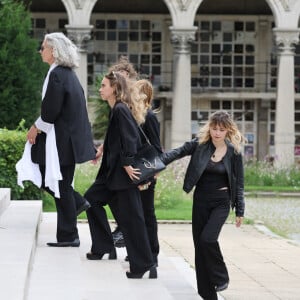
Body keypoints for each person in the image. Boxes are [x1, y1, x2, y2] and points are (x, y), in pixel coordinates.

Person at [161, 110, 245, 299]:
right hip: (201, 201)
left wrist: (240, 209)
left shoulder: (234, 152)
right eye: (214, 128)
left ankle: (221, 277)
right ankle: (208, 294)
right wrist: (157, 165)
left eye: (221, 130)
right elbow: (178, 152)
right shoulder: (200, 145)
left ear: (227, 131)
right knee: (200, 246)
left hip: (221, 203)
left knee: (208, 239)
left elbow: (239, 182)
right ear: (210, 128)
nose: (217, 133)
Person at [84, 71, 157, 279]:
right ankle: (105, 246)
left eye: (103, 85)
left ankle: (144, 264)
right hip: (111, 176)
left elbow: (130, 137)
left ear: (114, 88)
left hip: (123, 176)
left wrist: (126, 162)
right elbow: (117, 138)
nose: (100, 89)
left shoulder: (121, 109)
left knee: (132, 220)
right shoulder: (116, 109)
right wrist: (103, 151)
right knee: (91, 200)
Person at [26, 32, 95, 247]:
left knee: (58, 184)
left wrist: (36, 127)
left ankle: (69, 233)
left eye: (44, 47)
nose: (40, 51)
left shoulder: (57, 75)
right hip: (66, 141)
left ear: (54, 51)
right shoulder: (67, 74)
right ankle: (74, 212)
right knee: (58, 183)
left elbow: (51, 110)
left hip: (62, 142)